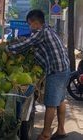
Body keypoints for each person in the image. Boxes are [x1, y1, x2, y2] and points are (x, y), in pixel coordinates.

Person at [4, 9, 70, 140]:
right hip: (64, 70)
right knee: (60, 101)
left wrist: (7, 48)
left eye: (30, 23)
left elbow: (26, 44)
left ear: (35, 22)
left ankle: (46, 134)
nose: (30, 27)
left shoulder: (42, 33)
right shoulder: (48, 30)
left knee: (51, 104)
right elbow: (35, 47)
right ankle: (61, 130)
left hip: (56, 71)